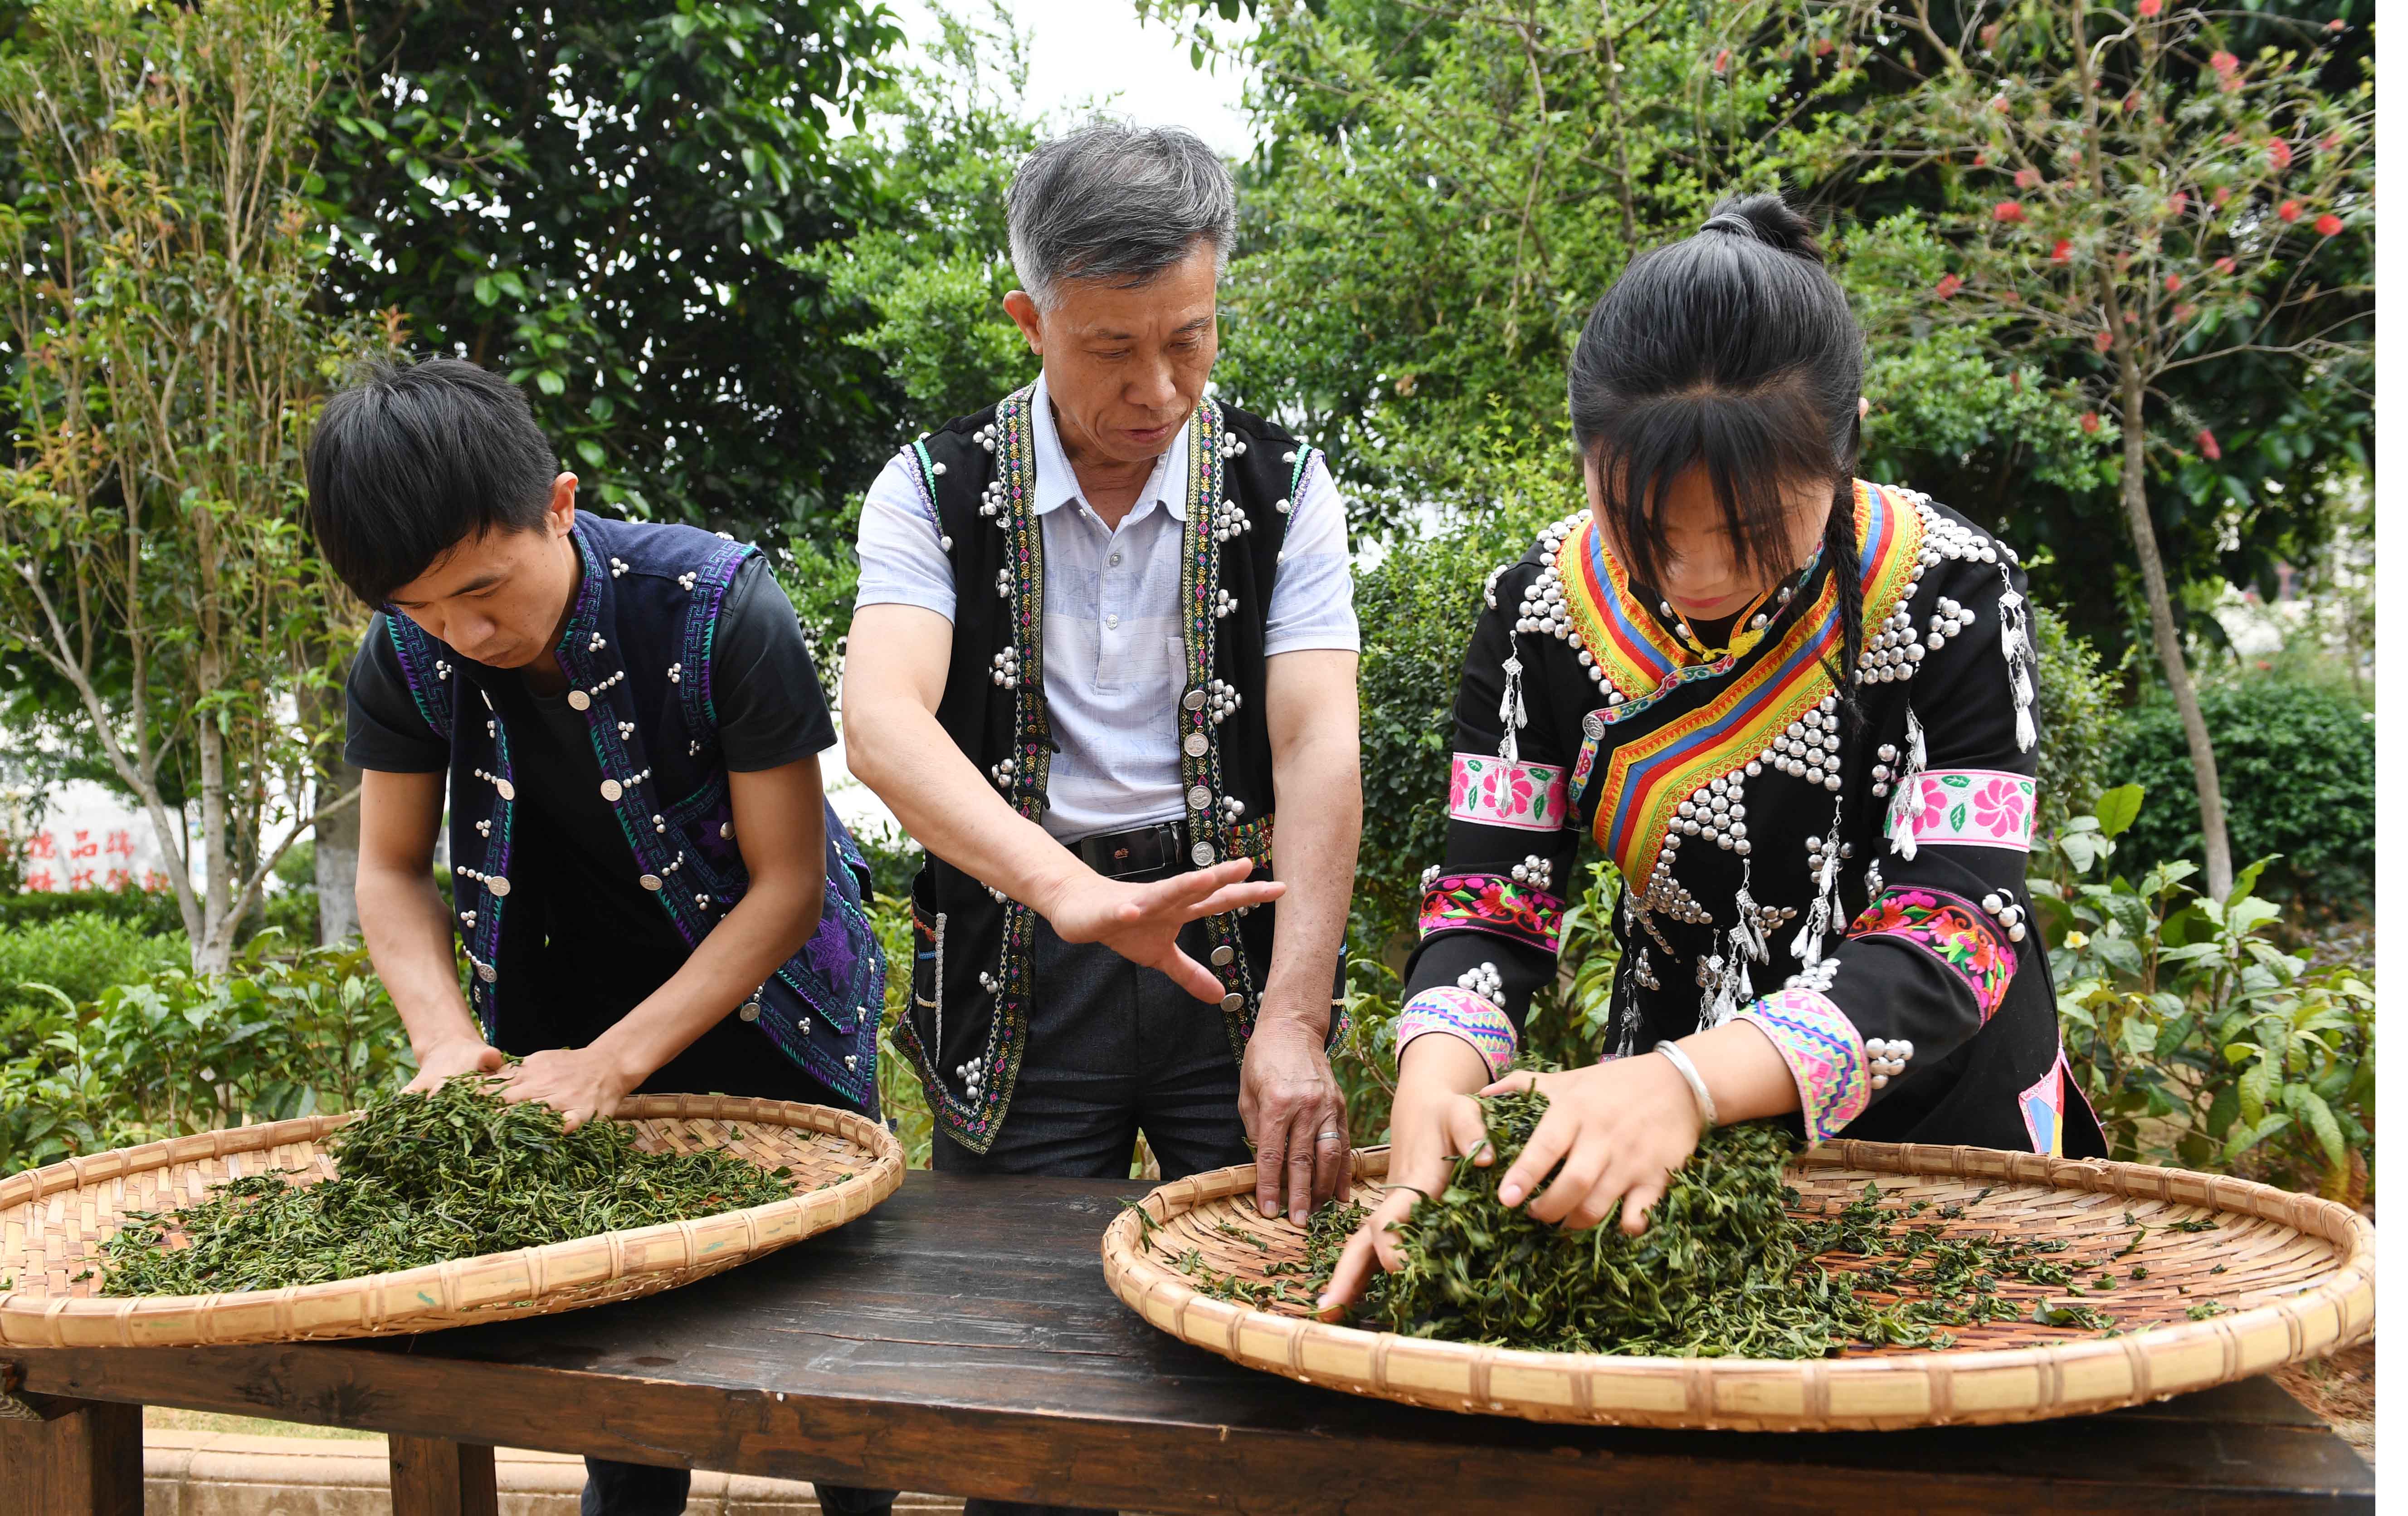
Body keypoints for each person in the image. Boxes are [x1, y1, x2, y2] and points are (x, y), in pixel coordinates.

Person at [1323, 193, 2106, 1310]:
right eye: (1642, 529)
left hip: (1940, 1121)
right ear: (1585, 457)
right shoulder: (1537, 614)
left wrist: (1692, 1084)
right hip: (1659, 1124)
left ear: (1845, 452)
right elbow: (1490, 901)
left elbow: (1963, 925)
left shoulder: (1954, 591)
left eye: (1750, 533)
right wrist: (1437, 1077)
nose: (1694, 575)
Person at [841, 120, 1361, 1501]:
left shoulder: (1284, 487)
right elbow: (881, 718)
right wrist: (1064, 887)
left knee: (1280, 1318)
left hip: (1232, 950)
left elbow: (1315, 741)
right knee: (1012, 1351)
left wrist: (1296, 1014)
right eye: (1109, 349)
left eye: (1187, 338)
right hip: (1024, 954)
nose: (1158, 386)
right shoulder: (930, 486)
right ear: (1028, 318)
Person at [307, 357, 897, 1516]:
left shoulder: (720, 606)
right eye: (419, 611)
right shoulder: (404, 658)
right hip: (556, 1016)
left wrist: (618, 1063)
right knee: (619, 1399)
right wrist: (441, 1042)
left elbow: (788, 887)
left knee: (831, 1376)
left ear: (561, 504)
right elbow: (389, 870)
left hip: (771, 1010)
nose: (462, 632)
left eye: (484, 588)